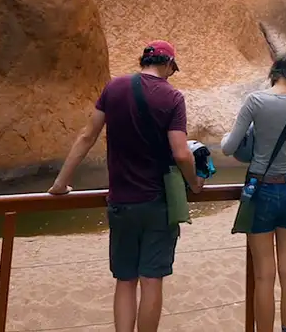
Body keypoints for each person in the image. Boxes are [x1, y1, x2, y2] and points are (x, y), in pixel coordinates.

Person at [47, 40, 204, 332]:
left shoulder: (113, 88)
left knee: (125, 280)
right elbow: (181, 153)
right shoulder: (172, 97)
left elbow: (86, 136)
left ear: (143, 60)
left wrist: (60, 183)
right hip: (158, 203)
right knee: (152, 279)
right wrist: (195, 183)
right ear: (168, 64)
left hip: (121, 202)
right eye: (172, 69)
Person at [221, 52, 286, 332]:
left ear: (273, 72)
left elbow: (229, 147)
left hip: (261, 190)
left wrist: (223, 140)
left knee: (265, 274)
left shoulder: (255, 100)